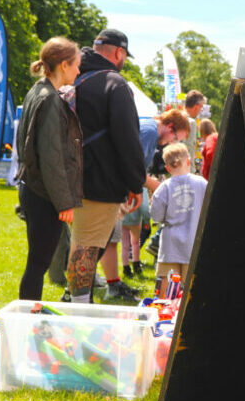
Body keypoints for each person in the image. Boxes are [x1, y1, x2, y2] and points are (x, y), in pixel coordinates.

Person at [70, 28, 189, 303]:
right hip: (99, 181)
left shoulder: (74, 76)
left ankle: (78, 299)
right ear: (118, 52)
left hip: (72, 175)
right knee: (87, 247)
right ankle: (78, 305)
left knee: (82, 245)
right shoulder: (114, 83)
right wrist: (136, 184)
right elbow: (127, 140)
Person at [15, 37, 83, 300]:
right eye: (76, 65)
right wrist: (64, 202)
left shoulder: (37, 91)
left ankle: (28, 315)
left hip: (33, 189)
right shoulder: (50, 98)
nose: (78, 71)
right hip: (43, 194)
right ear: (64, 65)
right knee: (38, 263)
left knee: (37, 262)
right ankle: (26, 319)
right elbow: (51, 157)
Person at [150, 143, 208, 297]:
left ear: (168, 168)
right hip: (194, 242)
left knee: (167, 281)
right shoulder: (202, 184)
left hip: (171, 245)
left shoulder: (164, 188)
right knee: (193, 283)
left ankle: (164, 310)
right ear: (188, 161)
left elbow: (156, 216)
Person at [181, 89, 206, 173]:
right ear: (197, 106)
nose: (200, 110)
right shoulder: (191, 123)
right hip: (186, 171)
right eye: (201, 107)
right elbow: (188, 149)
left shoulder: (177, 117)